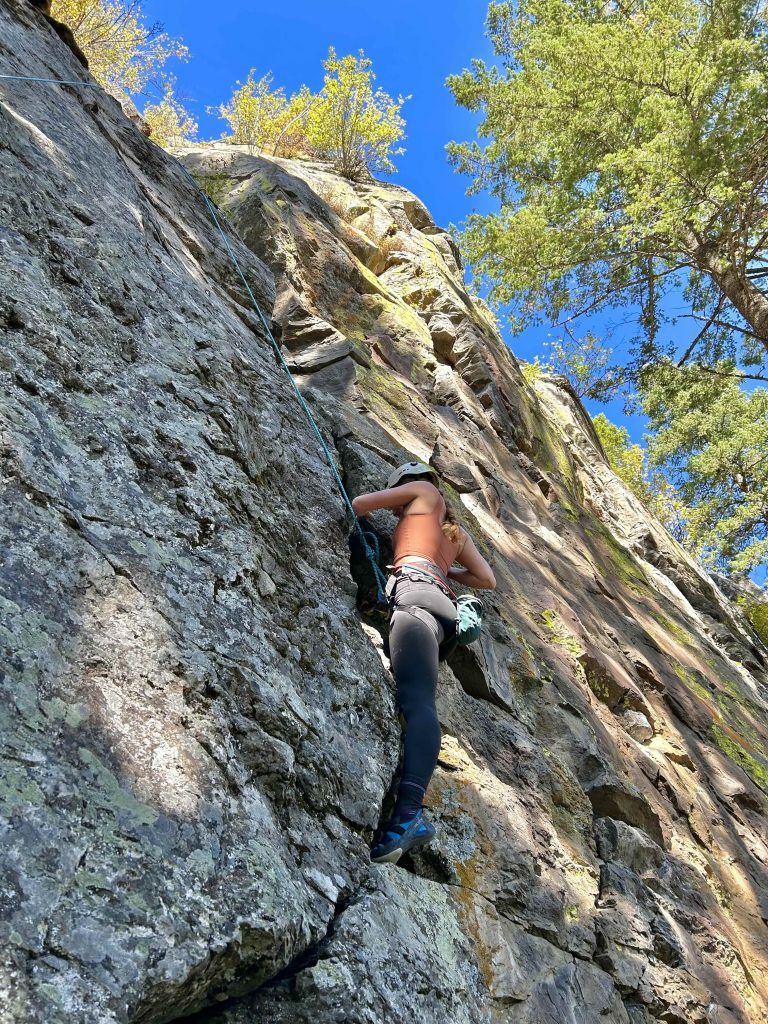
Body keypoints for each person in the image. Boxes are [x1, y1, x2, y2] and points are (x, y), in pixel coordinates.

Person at [351, 461, 496, 865]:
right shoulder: (454, 532)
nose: (399, 511)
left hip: (415, 594)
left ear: (405, 484)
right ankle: (407, 811)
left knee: (417, 705)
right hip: (443, 607)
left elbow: (360, 503)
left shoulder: (423, 491)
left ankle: (409, 814)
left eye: (399, 499)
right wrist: (444, 568)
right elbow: (487, 579)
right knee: (420, 702)